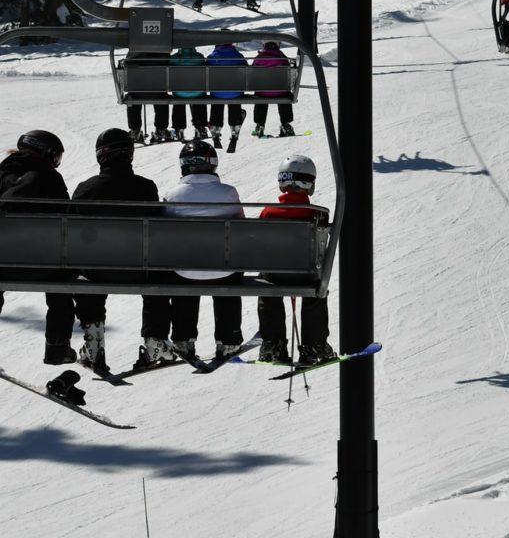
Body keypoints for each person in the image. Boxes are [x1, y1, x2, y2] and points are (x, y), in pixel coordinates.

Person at [0, 130, 86, 405]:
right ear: (47, 153)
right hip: (44, 265)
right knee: (63, 284)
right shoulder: (50, 177)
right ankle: (57, 348)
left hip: (0, 263)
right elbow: (67, 217)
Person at [142, 140, 245, 363]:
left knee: (184, 274)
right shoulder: (228, 193)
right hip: (223, 269)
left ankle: (183, 337)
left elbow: (165, 231)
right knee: (230, 275)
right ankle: (229, 339)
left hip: (185, 270)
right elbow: (241, 225)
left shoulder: (173, 195)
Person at [68, 129, 159, 376]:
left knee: (83, 272)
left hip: (97, 270)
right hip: (140, 270)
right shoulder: (146, 188)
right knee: (161, 275)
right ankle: (155, 341)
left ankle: (93, 341)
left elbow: (73, 234)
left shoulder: (86, 189)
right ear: (129, 154)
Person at [257, 155, 336, 365]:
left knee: (268, 290)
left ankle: (273, 344)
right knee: (316, 290)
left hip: (275, 276)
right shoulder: (318, 214)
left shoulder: (268, 212)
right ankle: (314, 344)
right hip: (306, 274)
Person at [206, 41, 248, 150]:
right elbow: (247, 72)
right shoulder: (238, 56)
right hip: (235, 94)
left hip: (217, 94)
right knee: (234, 95)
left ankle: (215, 128)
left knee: (218, 96)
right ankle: (235, 129)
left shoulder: (212, 57)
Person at [251, 40, 296, 138]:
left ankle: (260, 124)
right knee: (285, 94)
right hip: (280, 91)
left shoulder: (259, 58)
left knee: (260, 95)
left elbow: (252, 73)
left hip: (262, 92)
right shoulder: (282, 57)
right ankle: (285, 124)